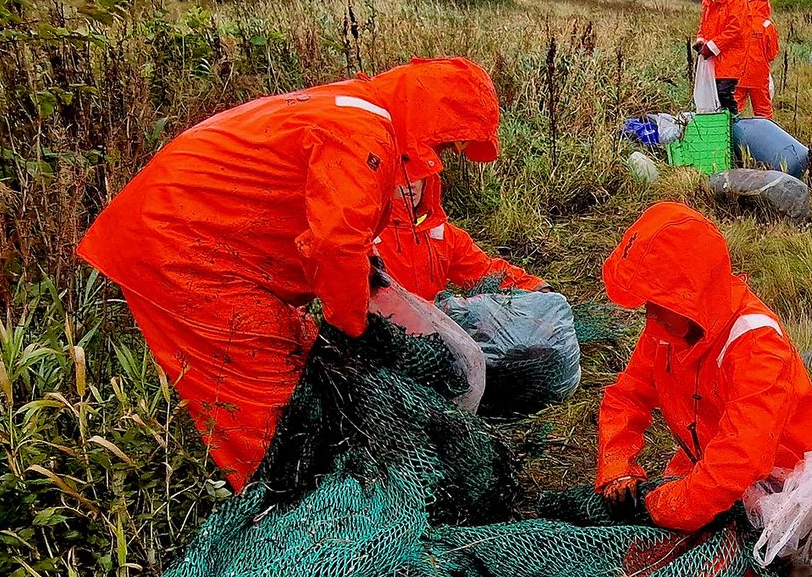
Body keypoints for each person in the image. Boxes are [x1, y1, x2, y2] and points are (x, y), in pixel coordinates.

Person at [77, 57, 503, 491]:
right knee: (268, 406)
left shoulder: (353, 110)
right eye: (451, 142)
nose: (448, 154)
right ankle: (282, 513)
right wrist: (352, 332)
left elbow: (337, 232)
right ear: (433, 113)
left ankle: (320, 492)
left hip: (217, 248)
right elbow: (334, 246)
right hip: (186, 252)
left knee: (298, 362)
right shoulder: (363, 132)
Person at [594, 203, 812, 577]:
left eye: (659, 302)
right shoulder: (666, 332)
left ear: (694, 295)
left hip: (776, 489)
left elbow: (742, 459)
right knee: (640, 566)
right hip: (702, 466)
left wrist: (665, 505)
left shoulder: (757, 346)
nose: (649, 315)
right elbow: (626, 398)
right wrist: (617, 466)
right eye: (648, 302)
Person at [374, 171, 544, 301]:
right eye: (401, 173)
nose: (411, 183)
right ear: (384, 176)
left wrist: (534, 286)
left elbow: (483, 271)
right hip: (383, 331)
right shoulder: (367, 234)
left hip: (434, 329)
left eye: (418, 173)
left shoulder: (442, 234)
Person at [690, 0, 751, 114]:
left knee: (724, 93)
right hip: (712, 59)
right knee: (713, 96)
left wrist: (710, 47)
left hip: (731, 56)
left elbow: (734, 29)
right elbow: (704, 27)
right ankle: (720, 128)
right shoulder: (709, 2)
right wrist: (701, 41)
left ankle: (733, 125)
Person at [735, 0, 779, 119]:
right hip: (759, 75)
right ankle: (764, 137)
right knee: (763, 111)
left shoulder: (740, 22)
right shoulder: (768, 26)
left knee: (732, 111)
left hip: (738, 73)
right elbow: (772, 53)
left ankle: (727, 137)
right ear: (767, 7)